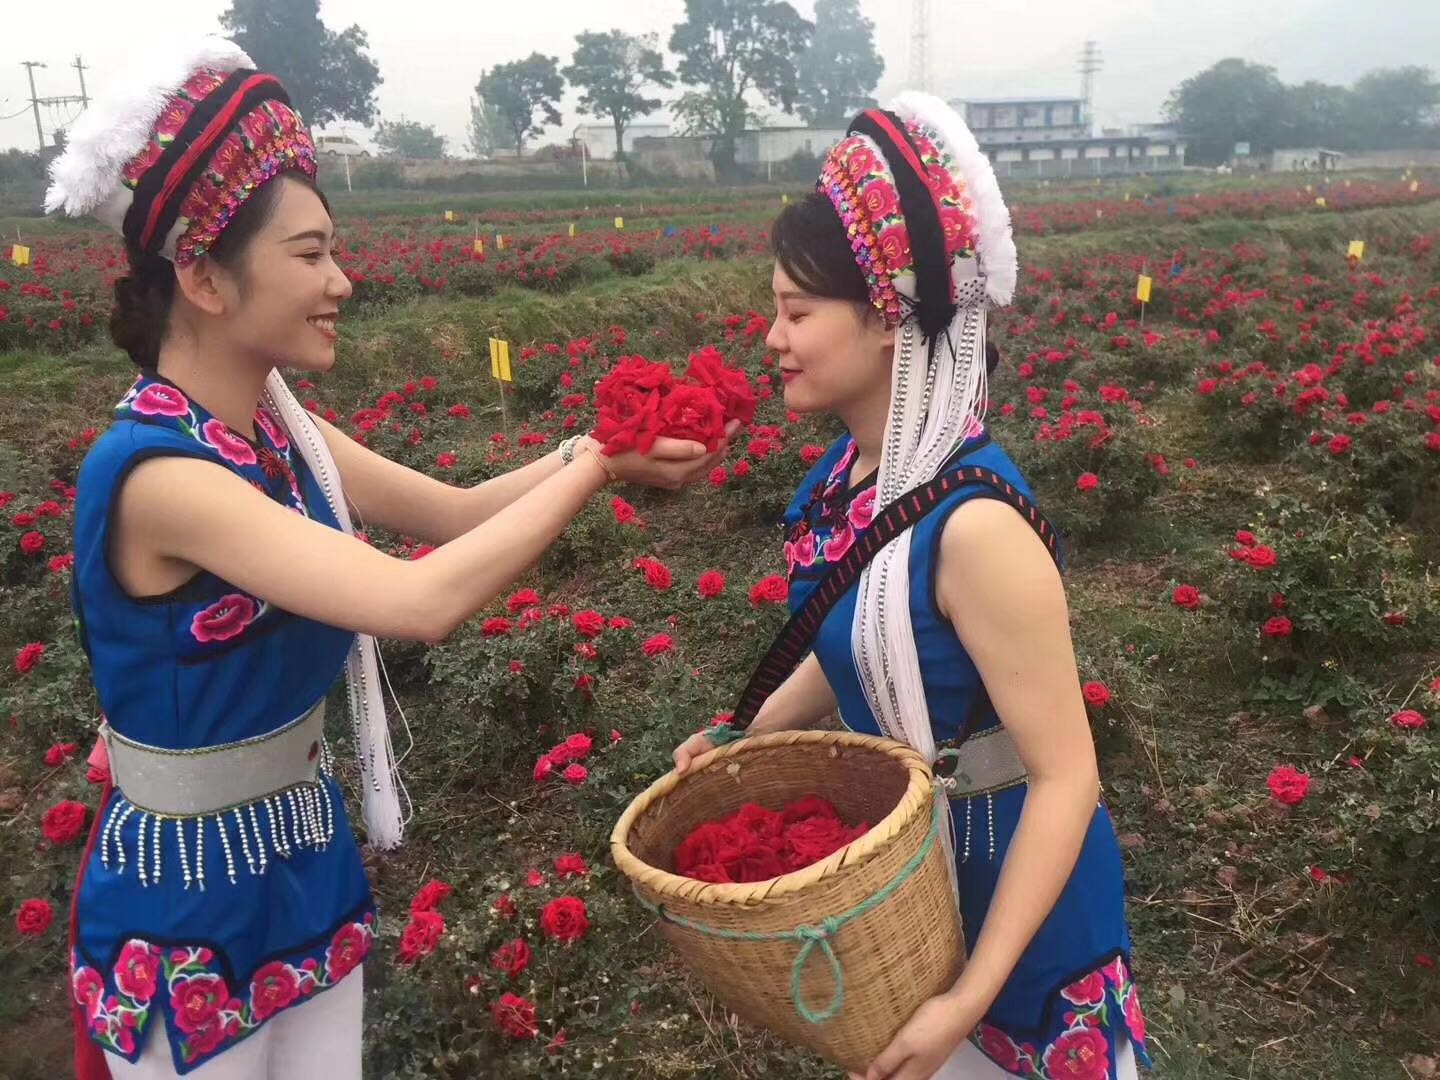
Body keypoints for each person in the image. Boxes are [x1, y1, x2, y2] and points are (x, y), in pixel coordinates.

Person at [47, 39, 731, 1080]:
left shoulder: (277, 434)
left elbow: (453, 515)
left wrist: (599, 447)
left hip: (301, 862)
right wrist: (595, 475)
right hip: (185, 905)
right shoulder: (160, 475)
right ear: (201, 275)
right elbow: (419, 601)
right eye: (311, 253)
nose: (343, 281)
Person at [672, 94, 1152, 1080]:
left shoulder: (974, 527)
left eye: (796, 313)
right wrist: (743, 733)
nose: (772, 338)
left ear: (889, 319)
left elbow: (1070, 778)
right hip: (908, 879)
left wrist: (973, 995)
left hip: (1019, 890)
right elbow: (845, 632)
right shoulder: (851, 483)